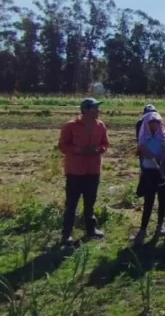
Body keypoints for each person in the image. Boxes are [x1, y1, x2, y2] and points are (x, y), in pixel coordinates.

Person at [57, 98, 109, 245]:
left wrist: (99, 149)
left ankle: (91, 230)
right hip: (75, 170)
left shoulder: (100, 126)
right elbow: (62, 146)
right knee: (72, 204)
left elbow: (105, 143)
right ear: (85, 110)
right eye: (95, 108)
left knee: (90, 202)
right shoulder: (70, 126)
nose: (98, 110)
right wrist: (78, 150)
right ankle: (66, 234)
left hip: (93, 170)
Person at [133, 113, 165, 245]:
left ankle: (160, 225)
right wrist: (149, 155)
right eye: (152, 122)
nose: (156, 125)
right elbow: (143, 153)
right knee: (148, 200)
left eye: (158, 122)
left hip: (163, 172)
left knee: (163, 199)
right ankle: (143, 229)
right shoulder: (143, 139)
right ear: (147, 124)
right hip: (149, 172)